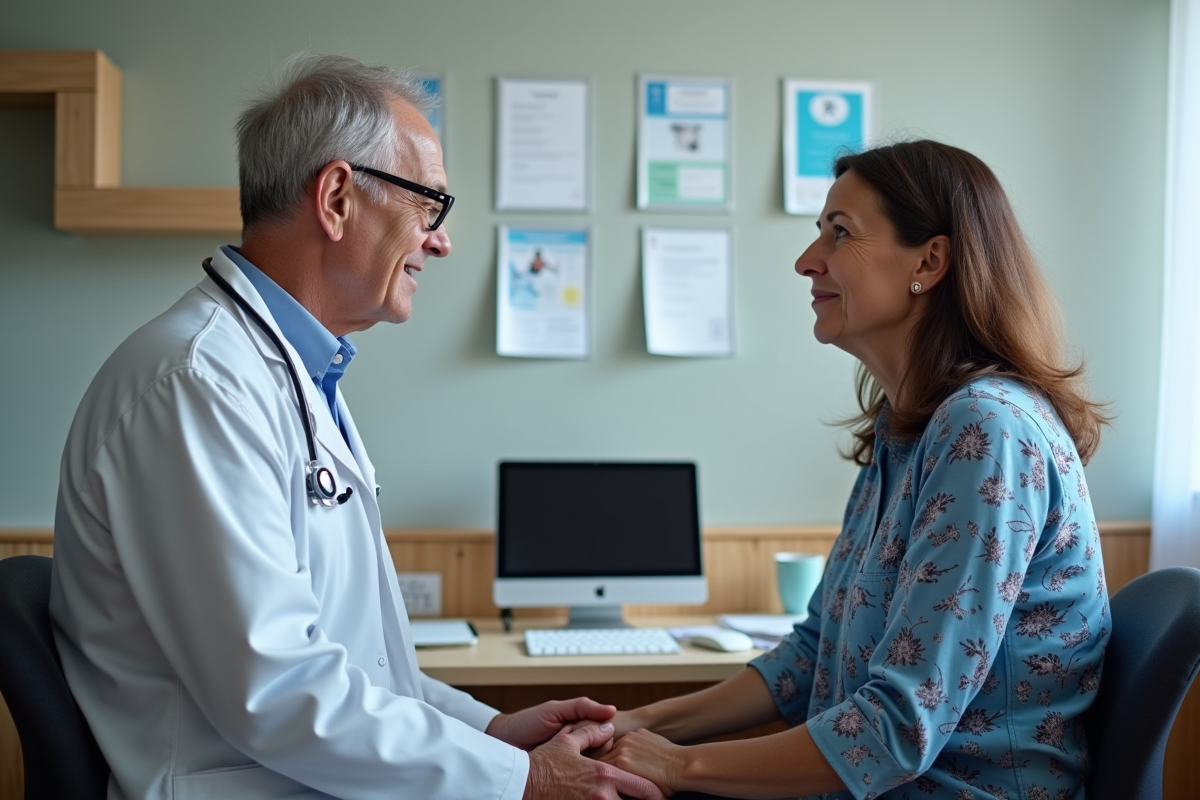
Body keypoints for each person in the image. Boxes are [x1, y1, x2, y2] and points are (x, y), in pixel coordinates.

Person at [49, 53, 661, 800]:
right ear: (337, 197)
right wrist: (520, 779)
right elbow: (278, 693)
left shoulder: (292, 375)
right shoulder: (197, 384)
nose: (440, 241)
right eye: (429, 206)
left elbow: (362, 669)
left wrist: (490, 733)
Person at [591, 141, 1111, 800]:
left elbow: (897, 727)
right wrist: (635, 724)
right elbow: (812, 657)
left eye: (840, 234)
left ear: (930, 260)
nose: (808, 262)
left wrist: (679, 765)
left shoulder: (986, 429)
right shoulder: (909, 430)